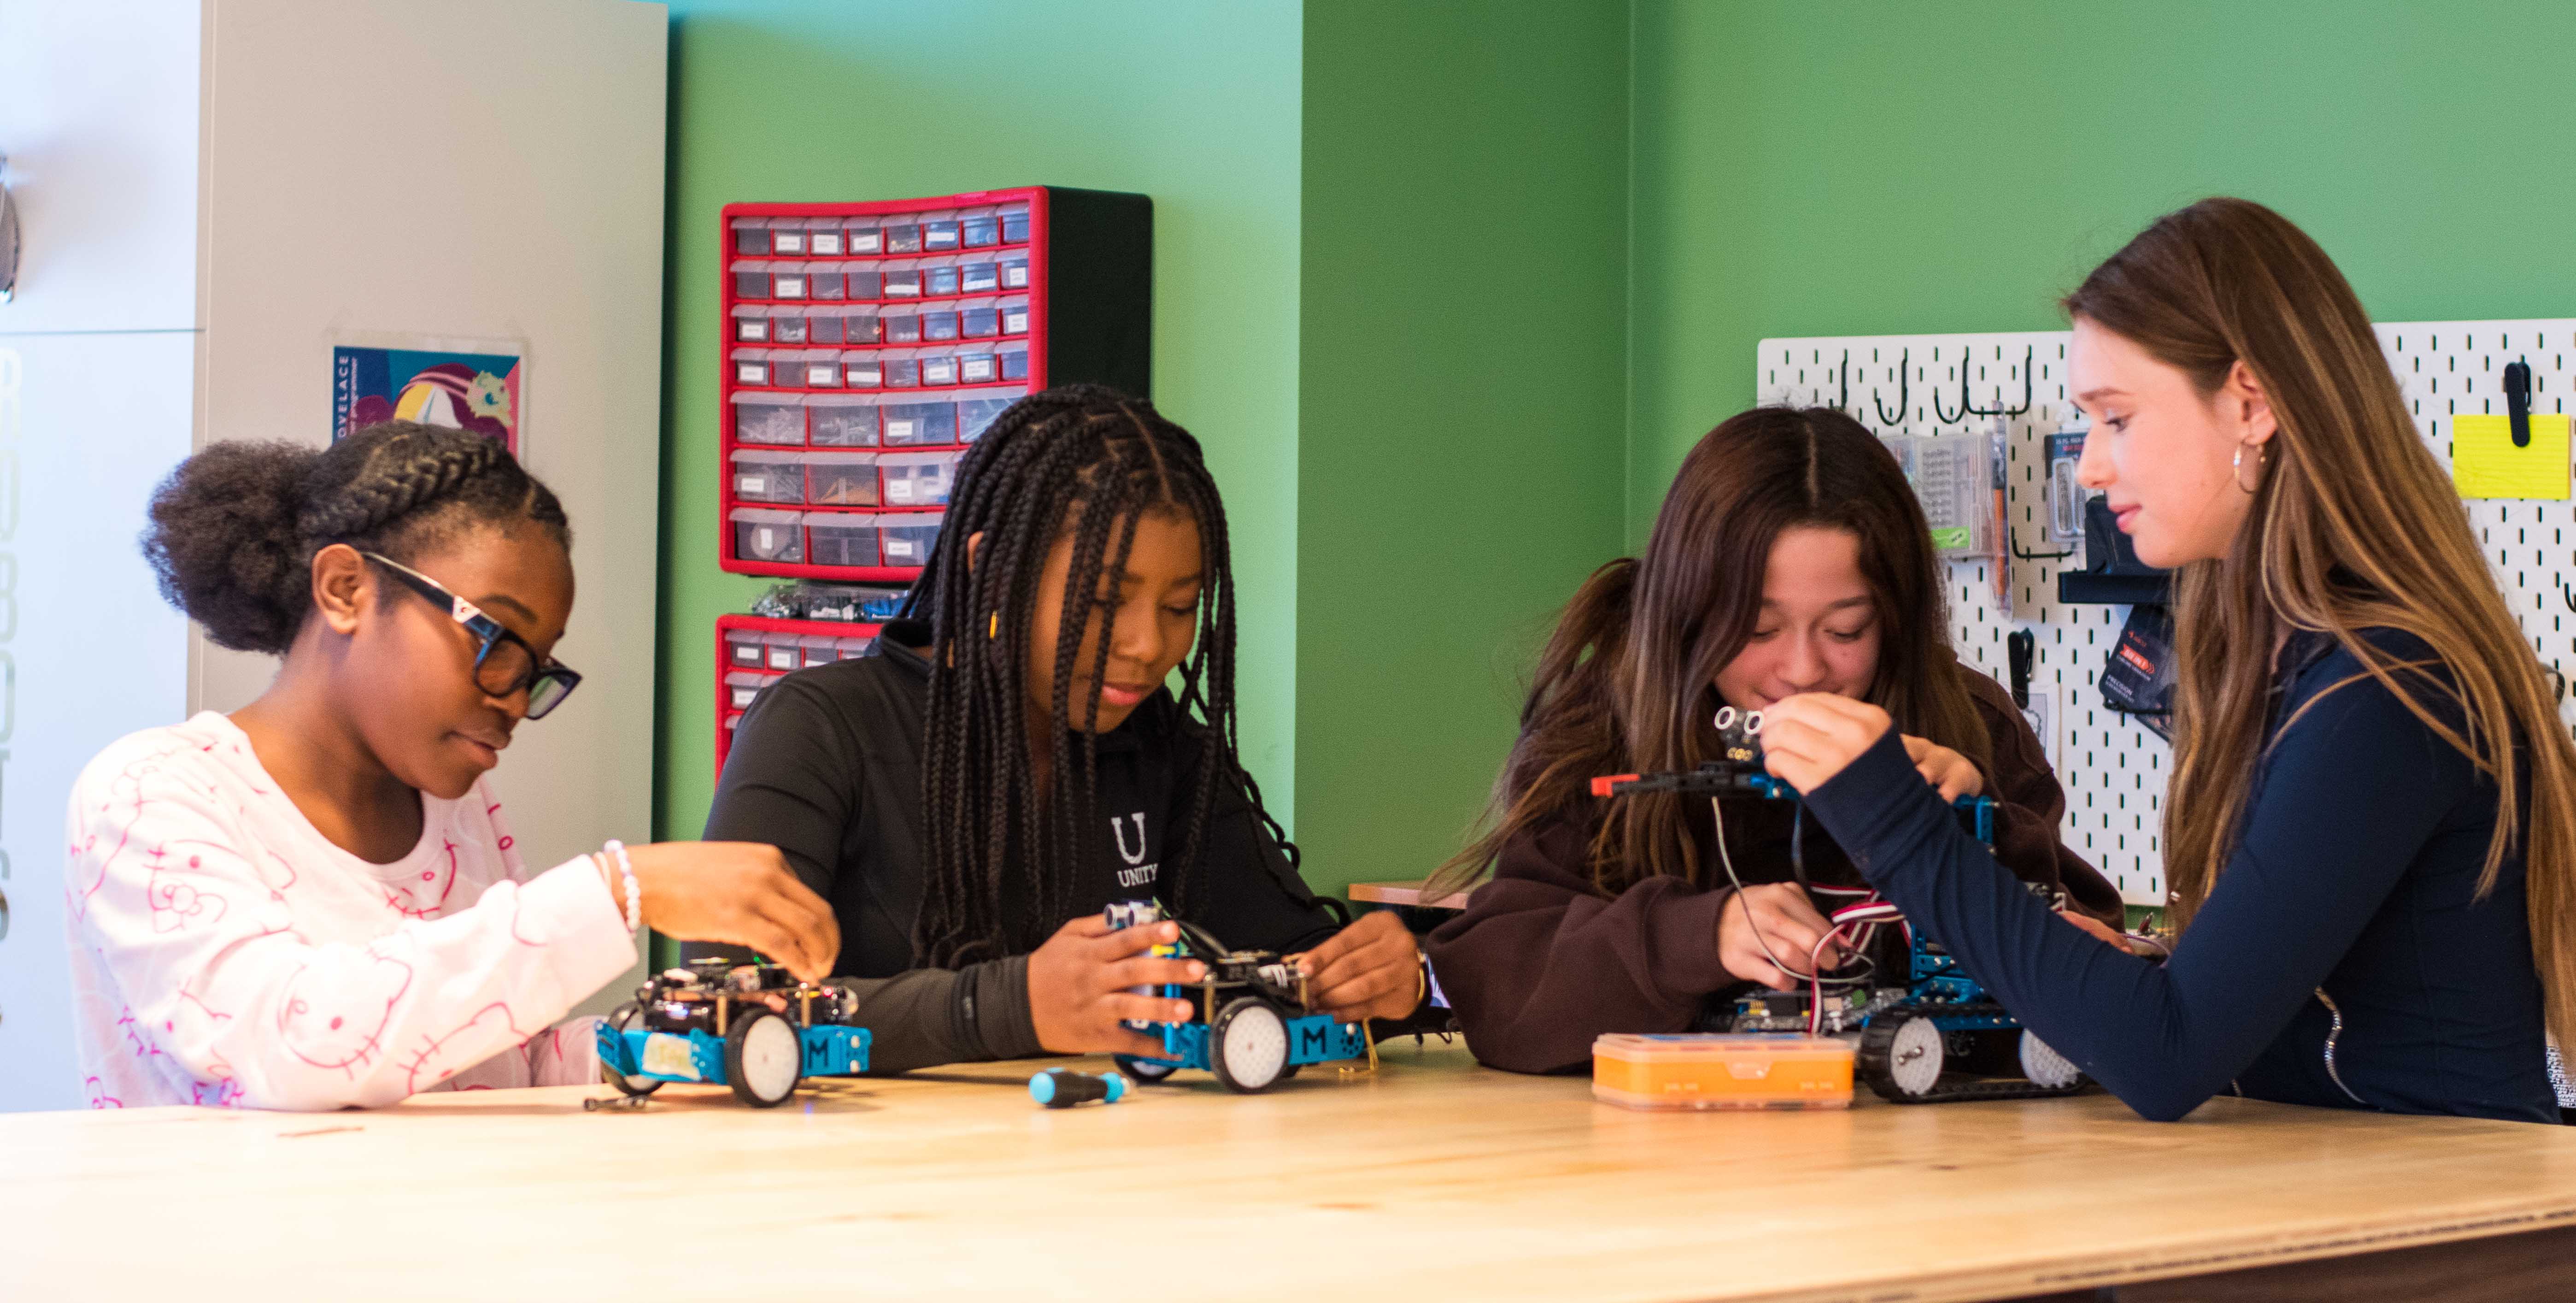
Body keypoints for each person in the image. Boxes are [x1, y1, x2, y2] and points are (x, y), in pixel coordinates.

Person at [1761, 197, 2576, 1123]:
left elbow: (2167, 1055)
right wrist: (2123, 969)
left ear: (2250, 403)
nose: (2092, 470)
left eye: (2117, 419)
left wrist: (1895, 821)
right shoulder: (2297, 657)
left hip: (2450, 1232)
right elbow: (2268, 1016)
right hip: (2352, 1177)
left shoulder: (2387, 686)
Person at [68, 422, 837, 1110]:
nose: (512, 697)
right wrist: (619, 887)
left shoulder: (452, 807)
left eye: (536, 668)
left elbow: (506, 1059)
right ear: (346, 590)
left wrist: (693, 1039)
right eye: (497, 640)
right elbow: (293, 1046)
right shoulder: (152, 794)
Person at [702, 386, 1430, 1073]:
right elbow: (725, 1011)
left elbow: (1298, 957)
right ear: (992, 572)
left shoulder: (1161, 748)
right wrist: (1007, 1006)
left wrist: (1384, 982)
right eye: (1107, 602)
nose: (1148, 646)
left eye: (1181, 607)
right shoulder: (818, 728)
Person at [1422, 406, 2119, 1074]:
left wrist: (1974, 828)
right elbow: (1497, 988)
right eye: (1757, 631)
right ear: (1687, 612)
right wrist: (1695, 937)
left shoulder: (1967, 725)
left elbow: (2101, 970)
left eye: (1847, 631)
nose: (1802, 671)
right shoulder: (1606, 732)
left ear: (1898, 622)